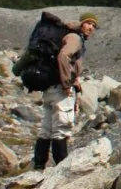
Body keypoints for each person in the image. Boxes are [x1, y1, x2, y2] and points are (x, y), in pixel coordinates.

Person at [33, 12, 97, 169]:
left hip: (50, 88)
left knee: (46, 129)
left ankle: (39, 165)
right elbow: (64, 56)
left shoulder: (66, 35)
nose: (91, 27)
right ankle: (62, 168)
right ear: (81, 23)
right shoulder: (75, 38)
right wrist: (67, 84)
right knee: (61, 129)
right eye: (89, 23)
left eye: (94, 25)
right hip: (61, 90)